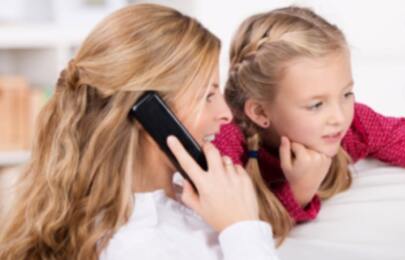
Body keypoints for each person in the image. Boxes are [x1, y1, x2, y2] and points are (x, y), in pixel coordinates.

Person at [213, 6, 405, 259]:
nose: (339, 116)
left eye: (347, 94)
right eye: (315, 105)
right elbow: (246, 239)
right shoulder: (226, 146)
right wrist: (300, 190)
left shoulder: (352, 126)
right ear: (260, 112)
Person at [0, 4, 279, 260]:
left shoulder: (197, 198)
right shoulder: (136, 246)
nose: (226, 114)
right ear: (151, 114)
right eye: (207, 95)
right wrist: (243, 230)